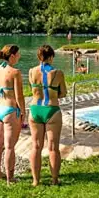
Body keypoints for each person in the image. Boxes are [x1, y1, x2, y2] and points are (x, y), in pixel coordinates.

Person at [0, 45, 25, 185]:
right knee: (9, 146)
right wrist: (23, 112)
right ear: (12, 56)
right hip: (10, 110)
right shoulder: (15, 72)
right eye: (18, 54)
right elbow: (19, 96)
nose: (20, 56)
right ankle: (10, 178)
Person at [28, 45, 66, 187]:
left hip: (35, 109)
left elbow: (32, 90)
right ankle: (54, 180)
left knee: (36, 147)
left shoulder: (31, 71)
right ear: (51, 57)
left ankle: (35, 180)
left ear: (38, 57)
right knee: (53, 148)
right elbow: (63, 93)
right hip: (51, 109)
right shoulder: (58, 73)